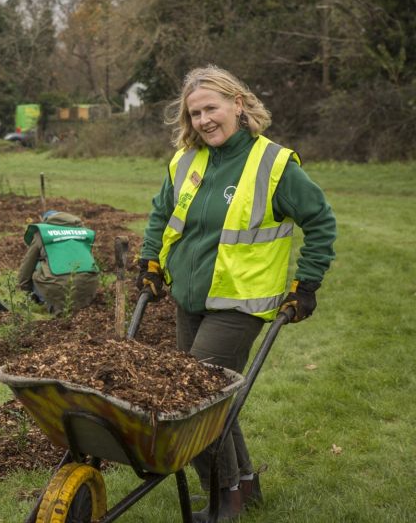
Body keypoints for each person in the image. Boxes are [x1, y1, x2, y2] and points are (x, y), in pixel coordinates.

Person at [137, 66, 336, 522]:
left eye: (212, 108)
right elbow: (160, 213)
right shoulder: (186, 161)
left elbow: (321, 222)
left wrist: (306, 283)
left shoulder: (274, 164)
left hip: (240, 304)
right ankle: (246, 484)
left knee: (192, 402)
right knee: (213, 399)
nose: (205, 120)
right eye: (196, 112)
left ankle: (224, 499)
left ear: (238, 105)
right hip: (190, 299)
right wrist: (151, 260)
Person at [18, 210, 101, 314]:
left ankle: (49, 303)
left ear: (47, 221)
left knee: (38, 265)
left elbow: (27, 265)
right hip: (88, 288)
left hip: (56, 288)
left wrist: (26, 290)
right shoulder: (83, 232)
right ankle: (79, 303)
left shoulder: (43, 233)